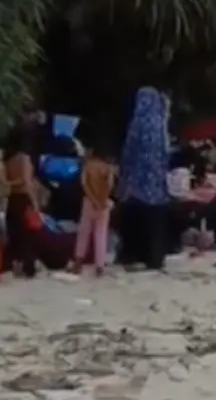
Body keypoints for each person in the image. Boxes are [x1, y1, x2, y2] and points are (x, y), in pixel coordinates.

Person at [116, 86, 172, 271]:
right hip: (156, 182)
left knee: (135, 218)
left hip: (137, 182)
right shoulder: (160, 123)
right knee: (155, 221)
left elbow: (128, 151)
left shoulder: (137, 123)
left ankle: (132, 255)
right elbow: (166, 152)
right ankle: (155, 258)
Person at [70, 143, 116, 276]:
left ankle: (78, 262)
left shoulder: (88, 165)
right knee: (101, 234)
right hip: (103, 203)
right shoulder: (107, 168)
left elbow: (84, 183)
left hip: (89, 202)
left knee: (84, 233)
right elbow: (109, 184)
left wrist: (93, 199)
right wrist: (102, 200)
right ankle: (100, 266)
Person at [2, 121, 41, 278]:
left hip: (12, 198)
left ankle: (14, 265)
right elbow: (26, 181)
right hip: (24, 198)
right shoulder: (24, 158)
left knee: (15, 233)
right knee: (28, 235)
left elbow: (8, 179)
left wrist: (9, 183)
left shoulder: (9, 159)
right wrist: (35, 203)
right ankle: (28, 268)